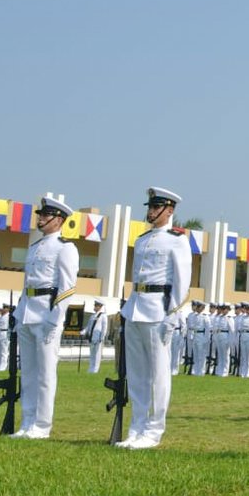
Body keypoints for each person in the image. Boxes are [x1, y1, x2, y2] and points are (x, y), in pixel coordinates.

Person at [117, 187, 192, 449]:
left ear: (169, 210)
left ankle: (153, 430)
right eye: (149, 206)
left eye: (156, 207)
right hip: (136, 307)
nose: (150, 211)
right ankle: (137, 427)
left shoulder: (177, 240)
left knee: (159, 375)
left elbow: (182, 284)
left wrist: (172, 315)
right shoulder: (142, 240)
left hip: (158, 311)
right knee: (137, 374)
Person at [11, 197, 79, 439]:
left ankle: (41, 426)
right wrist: (18, 313)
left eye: (45, 215)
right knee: (28, 373)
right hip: (28, 312)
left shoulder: (65, 248)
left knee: (45, 374)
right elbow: (26, 284)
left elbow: (67, 287)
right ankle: (27, 422)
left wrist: (55, 319)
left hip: (46, 315)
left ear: (58, 219)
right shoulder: (34, 247)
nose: (40, 218)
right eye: (40, 214)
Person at [83, 300, 109, 374]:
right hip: (91, 337)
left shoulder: (103, 316)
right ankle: (91, 368)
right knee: (92, 354)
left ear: (100, 307)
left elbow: (104, 327)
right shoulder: (92, 316)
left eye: (96, 305)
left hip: (98, 337)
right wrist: (82, 332)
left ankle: (95, 369)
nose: (94, 307)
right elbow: (88, 327)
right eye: (94, 305)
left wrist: (102, 337)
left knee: (97, 354)